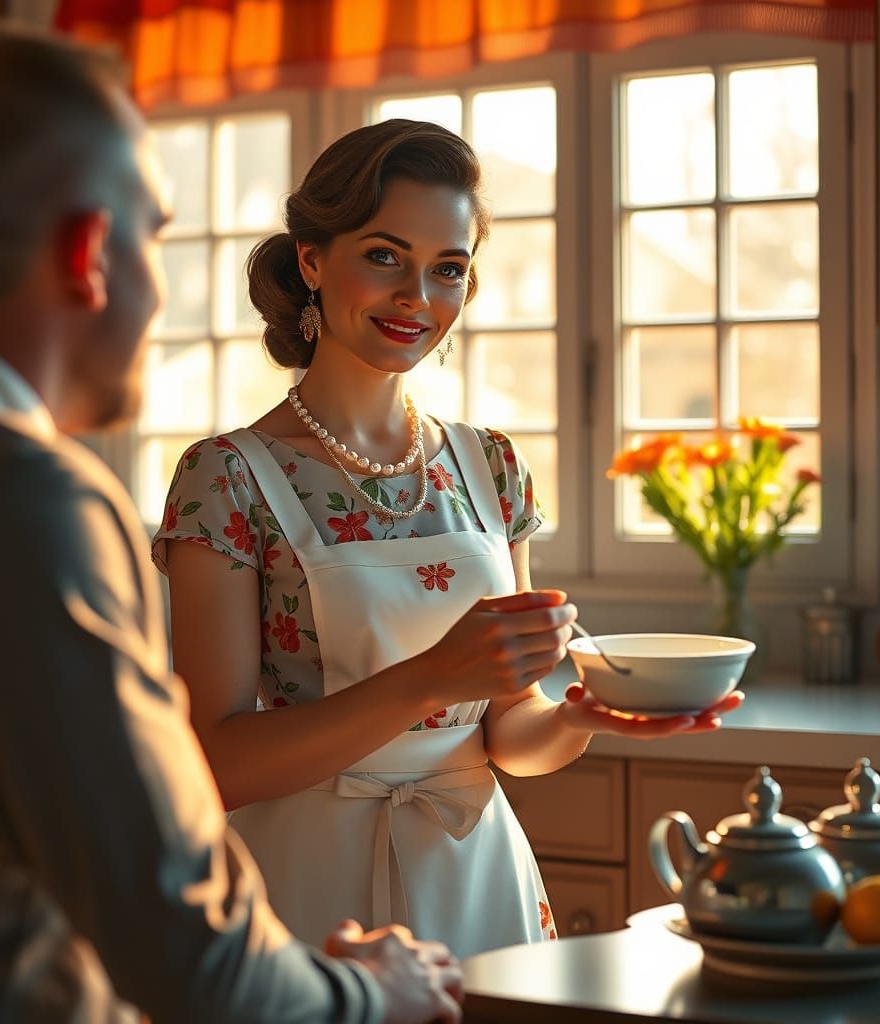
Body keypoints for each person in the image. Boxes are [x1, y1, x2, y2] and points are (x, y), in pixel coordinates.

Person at [0, 26, 464, 1024]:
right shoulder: (26, 496)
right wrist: (369, 990)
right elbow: (182, 946)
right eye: (155, 234)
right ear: (90, 253)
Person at [155, 118, 744, 959]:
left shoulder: (489, 467)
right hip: (303, 900)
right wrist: (434, 676)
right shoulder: (226, 479)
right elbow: (213, 762)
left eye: (449, 269)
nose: (417, 299)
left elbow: (511, 734)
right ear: (312, 261)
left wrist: (587, 714)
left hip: (477, 882)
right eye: (385, 255)